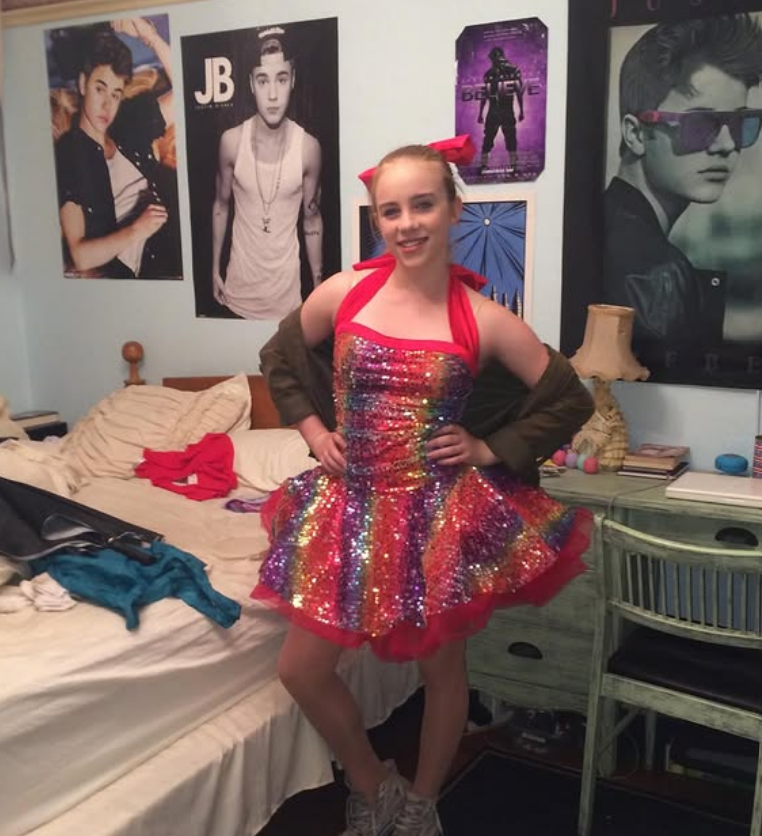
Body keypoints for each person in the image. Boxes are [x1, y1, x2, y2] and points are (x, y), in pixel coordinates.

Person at [252, 141, 594, 836]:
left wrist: (489, 448)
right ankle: (373, 784)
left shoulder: (484, 318)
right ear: (377, 218)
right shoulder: (344, 292)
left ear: (454, 210)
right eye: (391, 211)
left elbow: (569, 398)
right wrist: (315, 430)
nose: (407, 223)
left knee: (443, 672)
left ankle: (421, 805)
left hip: (435, 517)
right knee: (302, 669)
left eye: (423, 205)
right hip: (348, 509)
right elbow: (279, 358)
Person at [602, 14, 762, 359]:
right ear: (636, 134)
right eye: (700, 123)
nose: (726, 144)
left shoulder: (599, 229)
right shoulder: (659, 273)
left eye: (740, 123)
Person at [212, 25, 323, 320]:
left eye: (281, 79)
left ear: (293, 80)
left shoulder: (308, 148)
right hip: (236, 297)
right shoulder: (231, 142)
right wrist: (214, 269)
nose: (273, 94)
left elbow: (312, 218)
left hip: (288, 302)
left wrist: (318, 283)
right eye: (263, 80)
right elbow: (221, 205)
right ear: (251, 83)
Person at [55, 19, 178, 279]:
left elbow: (189, 91)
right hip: (147, 268)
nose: (107, 105)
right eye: (100, 89)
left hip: (173, 238)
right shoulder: (68, 155)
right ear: (82, 83)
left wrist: (150, 37)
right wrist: (137, 230)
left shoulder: (127, 124)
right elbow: (81, 256)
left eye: (115, 94)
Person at [477, 46, 524, 176]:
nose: (495, 61)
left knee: (510, 138)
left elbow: (519, 92)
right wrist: (480, 113)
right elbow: (484, 94)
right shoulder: (489, 74)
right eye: (493, 58)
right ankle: (483, 165)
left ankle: (514, 166)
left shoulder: (513, 70)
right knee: (488, 139)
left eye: (496, 58)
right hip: (493, 110)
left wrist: (521, 110)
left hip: (506, 109)